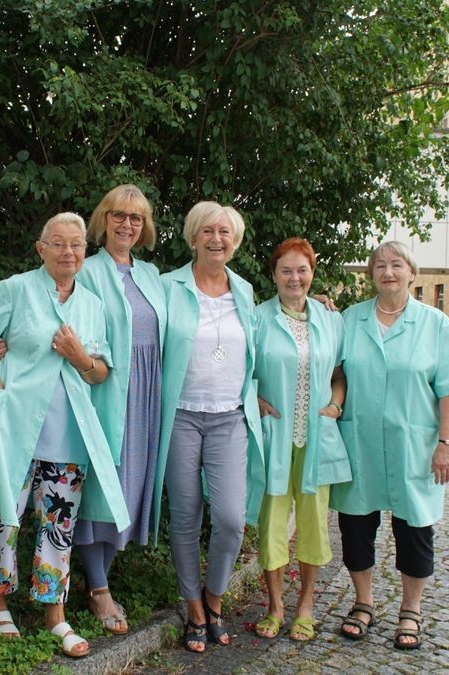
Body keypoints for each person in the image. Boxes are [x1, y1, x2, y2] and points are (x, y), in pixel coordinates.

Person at [0, 212, 130, 659]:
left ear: (84, 253)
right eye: (59, 243)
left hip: (68, 433)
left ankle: (55, 613)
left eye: (76, 245)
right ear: (41, 248)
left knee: (59, 526)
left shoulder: (91, 305)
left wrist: (78, 356)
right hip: (15, 425)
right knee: (3, 518)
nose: (68, 252)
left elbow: (102, 372)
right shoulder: (15, 289)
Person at [332, 240, 449, 650]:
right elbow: (334, 368)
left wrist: (446, 443)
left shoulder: (435, 325)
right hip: (359, 442)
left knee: (415, 529)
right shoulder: (350, 320)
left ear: (412, 272)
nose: (388, 272)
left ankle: (410, 610)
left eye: (396, 265)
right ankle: (363, 602)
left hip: (414, 445)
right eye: (379, 266)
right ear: (371, 274)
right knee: (356, 526)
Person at [155, 201, 263, 653]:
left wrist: (315, 310)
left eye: (225, 232)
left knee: (231, 519)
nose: (216, 238)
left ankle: (214, 599)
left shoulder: (245, 290)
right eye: (207, 231)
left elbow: (270, 333)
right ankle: (194, 610)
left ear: (234, 243)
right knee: (184, 518)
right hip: (180, 415)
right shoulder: (167, 286)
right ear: (193, 237)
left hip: (229, 417)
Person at [71, 185, 167, 635]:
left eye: (136, 218)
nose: (127, 224)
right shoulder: (88, 271)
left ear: (144, 226)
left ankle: (99, 578)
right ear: (103, 220)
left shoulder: (151, 276)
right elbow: (60, 311)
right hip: (106, 393)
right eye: (119, 216)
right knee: (102, 487)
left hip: (148, 395)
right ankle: (98, 587)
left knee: (128, 487)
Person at [251, 237, 352, 642]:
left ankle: (305, 607)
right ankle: (274, 607)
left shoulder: (331, 319)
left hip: (317, 435)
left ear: (312, 273)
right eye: (286, 270)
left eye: (302, 270)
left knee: (313, 524)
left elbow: (340, 374)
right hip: (275, 434)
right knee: (272, 523)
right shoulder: (257, 318)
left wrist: (337, 406)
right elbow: (242, 370)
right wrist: (254, 397)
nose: (295, 278)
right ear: (273, 275)